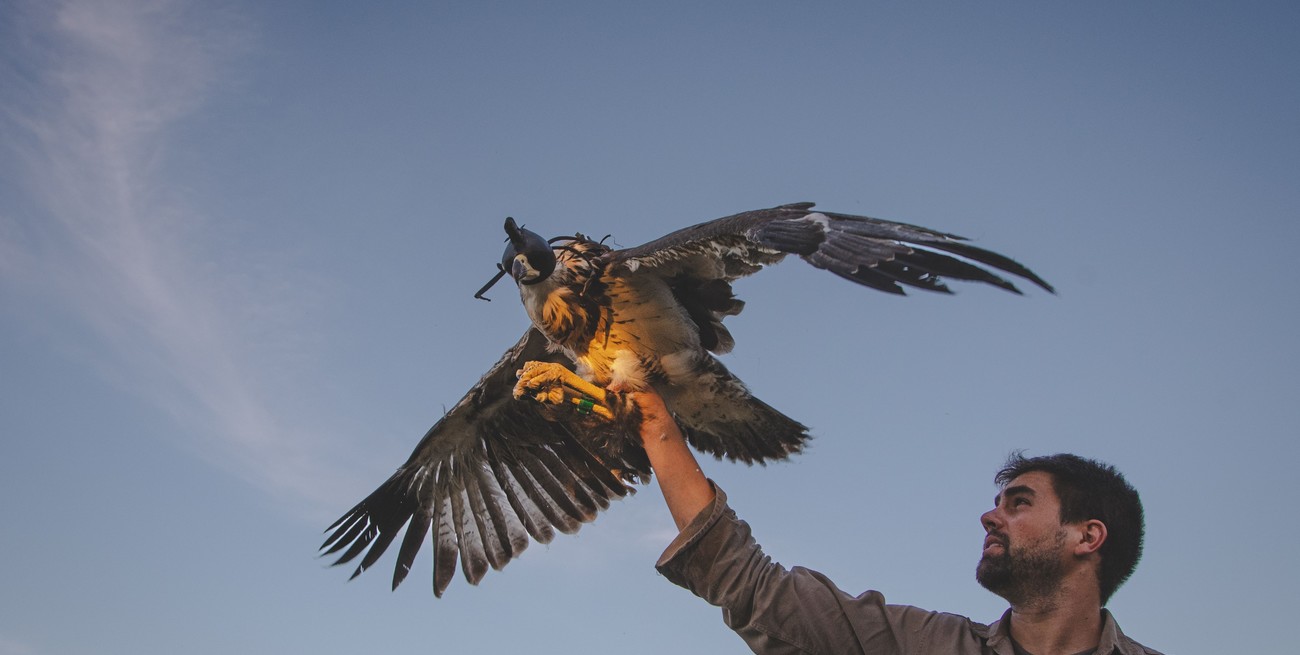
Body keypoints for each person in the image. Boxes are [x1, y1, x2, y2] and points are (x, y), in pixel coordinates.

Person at [631, 389, 1163, 655]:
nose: (989, 517)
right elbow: (754, 588)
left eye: (1018, 504)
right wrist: (656, 425)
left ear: (1087, 536)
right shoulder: (923, 644)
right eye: (997, 504)